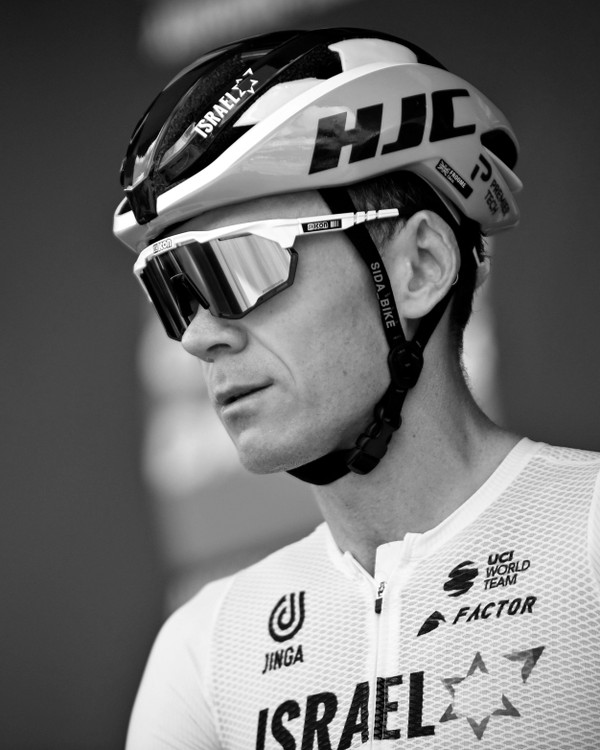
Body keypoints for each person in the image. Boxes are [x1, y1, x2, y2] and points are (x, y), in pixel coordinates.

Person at [113, 28, 600, 749]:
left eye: (239, 267)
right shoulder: (207, 651)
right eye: (174, 289)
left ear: (421, 266)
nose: (197, 335)